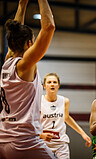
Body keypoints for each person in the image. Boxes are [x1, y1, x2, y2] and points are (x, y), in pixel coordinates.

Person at [0, 0, 56, 158]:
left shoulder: (7, 62)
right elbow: (49, 27)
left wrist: (22, 5)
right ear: (29, 43)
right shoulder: (25, 64)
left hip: (3, 138)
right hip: (24, 142)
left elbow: (14, 34)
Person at [40, 73, 92, 159]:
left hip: (61, 143)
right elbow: (32, 122)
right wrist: (40, 135)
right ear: (44, 86)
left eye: (54, 82)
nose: (52, 84)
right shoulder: (38, 101)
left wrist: (82, 133)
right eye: (49, 82)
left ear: (58, 85)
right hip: (44, 142)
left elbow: (66, 118)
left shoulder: (64, 101)